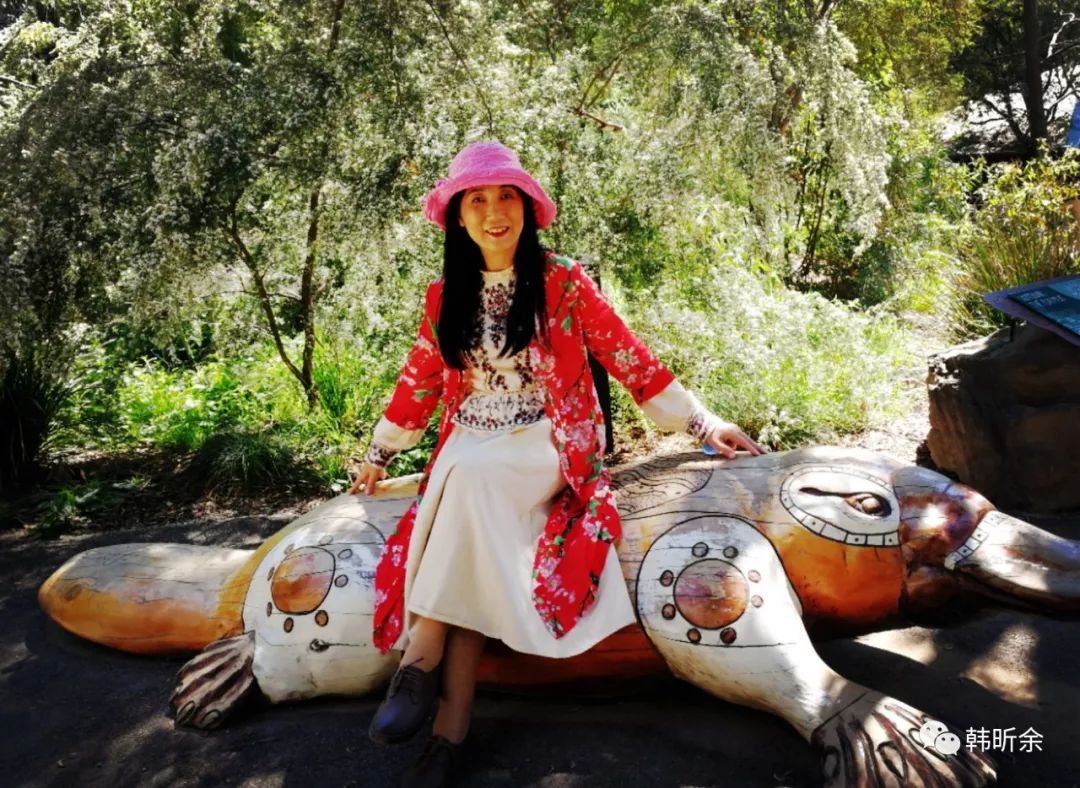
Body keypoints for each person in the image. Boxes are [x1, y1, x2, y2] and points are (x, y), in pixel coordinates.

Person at [350, 141, 764, 787]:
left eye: (506, 197)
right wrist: (379, 453)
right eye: (477, 200)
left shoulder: (563, 281)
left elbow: (627, 354)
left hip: (549, 436)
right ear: (458, 216)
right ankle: (449, 733)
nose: (494, 212)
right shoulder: (444, 295)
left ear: (527, 207)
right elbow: (420, 380)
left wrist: (702, 422)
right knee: (470, 506)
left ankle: (419, 661)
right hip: (469, 438)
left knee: (468, 482)